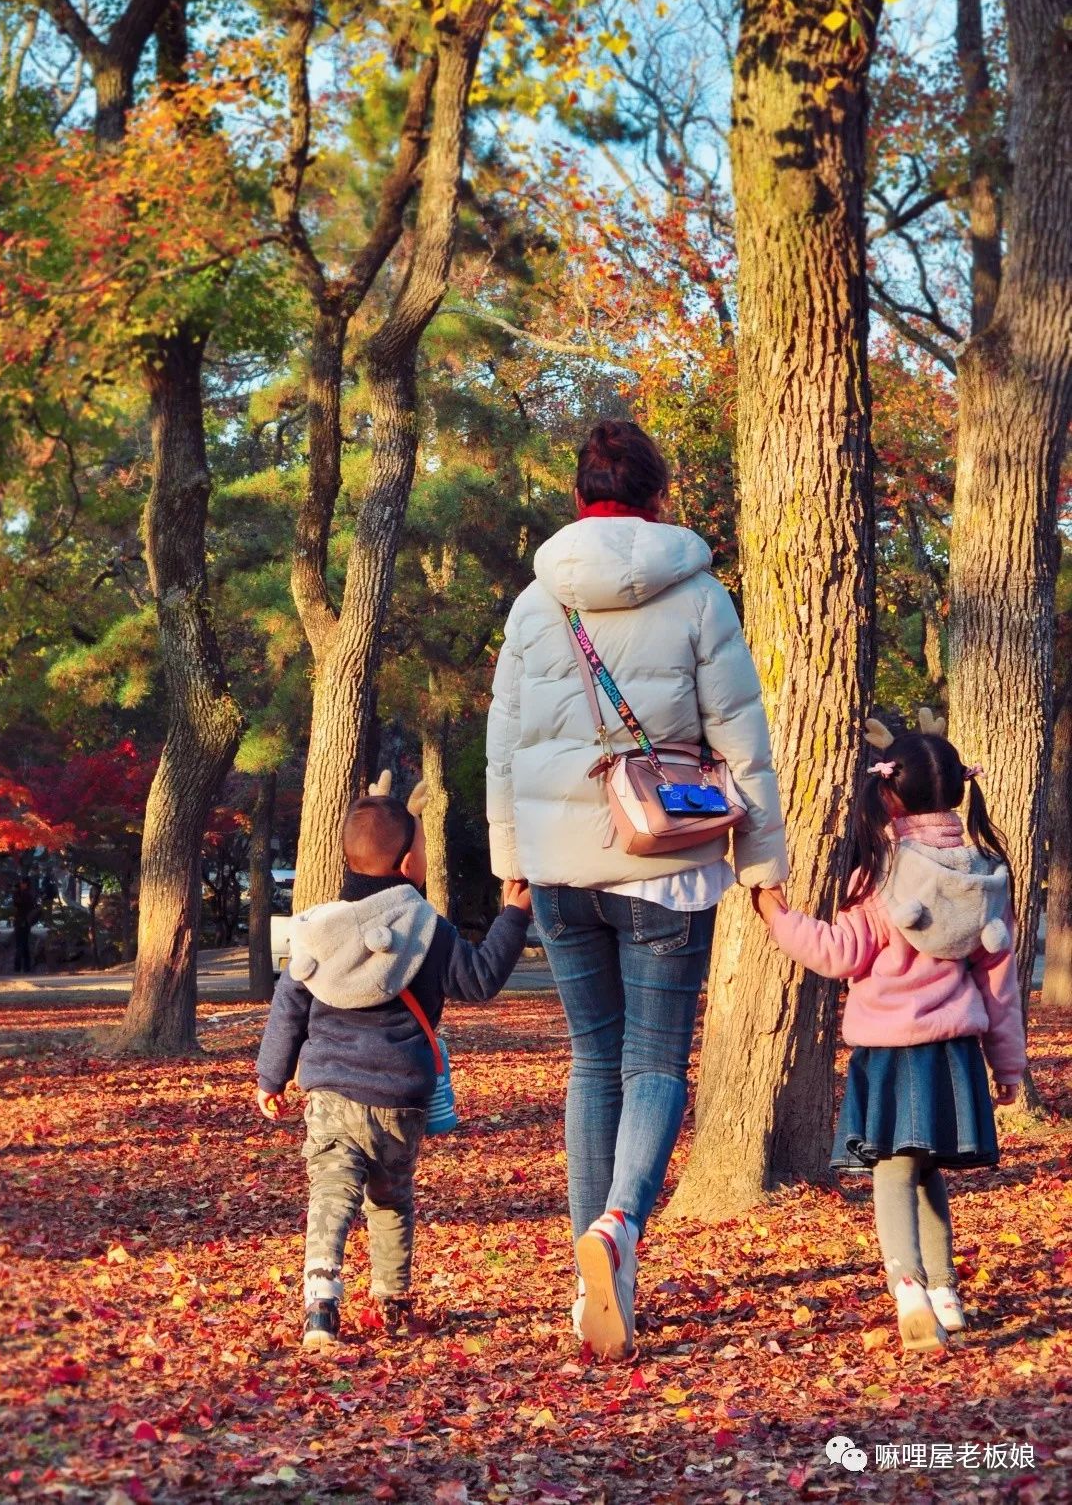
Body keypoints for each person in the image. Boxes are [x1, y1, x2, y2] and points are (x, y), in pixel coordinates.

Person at [486, 419, 788, 1359]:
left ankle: (594, 1292)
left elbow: (500, 745)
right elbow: (743, 737)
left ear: (580, 497)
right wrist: (764, 869)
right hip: (665, 864)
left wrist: (511, 863)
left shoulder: (536, 604)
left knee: (592, 1062)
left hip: (565, 870)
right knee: (654, 1064)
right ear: (657, 498)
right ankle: (616, 1230)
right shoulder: (698, 593)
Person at [752, 722, 1026, 1353]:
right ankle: (947, 1295)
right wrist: (1006, 1064)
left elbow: (836, 950)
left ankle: (907, 1289)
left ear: (889, 797)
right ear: (959, 793)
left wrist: (773, 912)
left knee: (892, 1170)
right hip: (954, 1051)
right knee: (927, 1168)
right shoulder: (987, 874)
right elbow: (1000, 983)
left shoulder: (882, 873)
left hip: (892, 1049)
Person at [255, 792, 532, 1352]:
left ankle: (320, 1309)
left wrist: (271, 1077)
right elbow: (478, 979)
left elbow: (289, 1005)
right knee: (391, 1198)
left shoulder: (320, 930)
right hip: (399, 1095)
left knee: (331, 1194)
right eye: (425, 847)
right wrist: (514, 915)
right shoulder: (427, 930)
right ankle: (393, 1303)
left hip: (331, 1090)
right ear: (407, 866)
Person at [12, 875, 39, 974]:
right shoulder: (23, 893)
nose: (21, 884)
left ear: (26, 884)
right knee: (23, 944)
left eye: (22, 883)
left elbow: (18, 903)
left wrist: (17, 891)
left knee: (21, 944)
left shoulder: (26, 895)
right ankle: (25, 967)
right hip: (22, 921)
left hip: (23, 921)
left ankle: (19, 967)